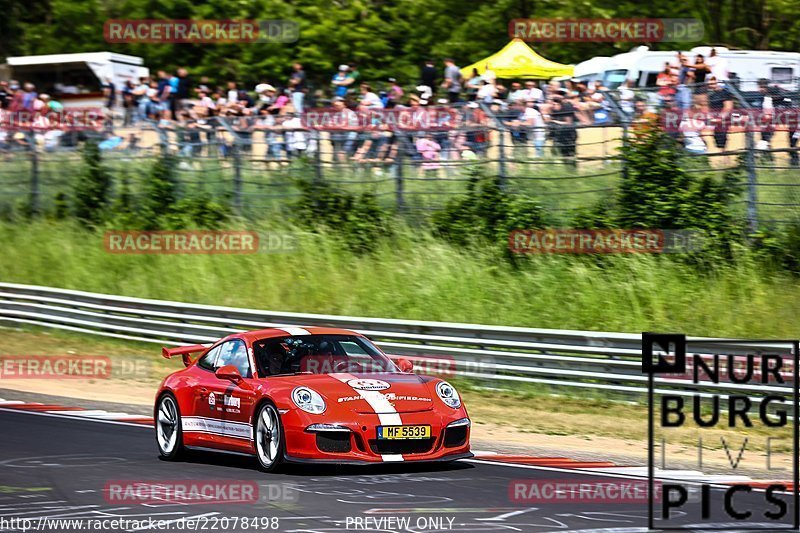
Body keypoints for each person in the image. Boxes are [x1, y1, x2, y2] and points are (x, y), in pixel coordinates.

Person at [706, 77, 733, 152]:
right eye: (709, 83)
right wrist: (710, 117)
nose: (710, 85)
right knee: (717, 141)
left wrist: (719, 119)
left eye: (712, 83)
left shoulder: (725, 93)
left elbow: (728, 107)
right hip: (714, 122)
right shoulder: (711, 95)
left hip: (723, 122)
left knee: (722, 141)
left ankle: (725, 159)